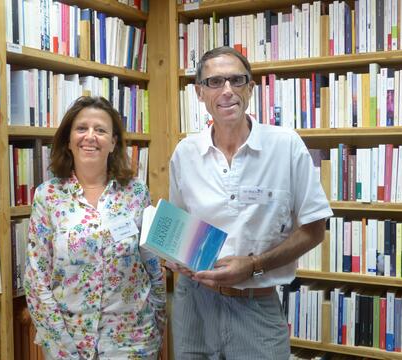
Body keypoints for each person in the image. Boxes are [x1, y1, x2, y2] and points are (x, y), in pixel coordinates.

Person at [168, 46, 333, 359]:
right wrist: (173, 254)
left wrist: (254, 265)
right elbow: (179, 227)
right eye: (215, 82)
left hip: (256, 304)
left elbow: (315, 230)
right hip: (194, 305)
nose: (227, 90)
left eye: (236, 80)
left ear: (251, 88)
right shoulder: (185, 153)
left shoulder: (285, 145)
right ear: (200, 93)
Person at [24, 96, 166, 359]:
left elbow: (153, 264)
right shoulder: (48, 196)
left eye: (100, 130)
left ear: (113, 142)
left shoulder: (136, 192)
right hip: (68, 340)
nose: (90, 136)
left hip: (133, 340)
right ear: (68, 140)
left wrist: (157, 324)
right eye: (81, 128)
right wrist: (60, 344)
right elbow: (36, 278)